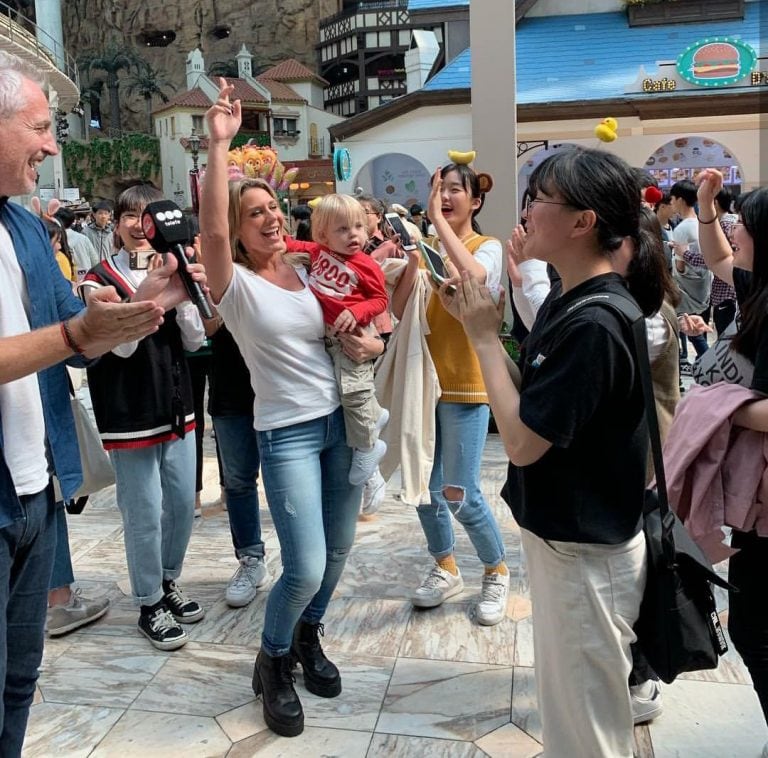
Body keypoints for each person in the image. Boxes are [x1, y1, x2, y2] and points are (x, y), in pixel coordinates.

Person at [441, 147, 666, 756]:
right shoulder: (572, 300)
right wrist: (479, 327)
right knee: (570, 715)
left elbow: (520, 443)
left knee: (587, 730)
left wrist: (485, 337)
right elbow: (533, 403)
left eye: (538, 199)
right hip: (566, 542)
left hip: (587, 556)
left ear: (583, 222)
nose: (527, 212)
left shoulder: (595, 321)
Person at [0, 49, 176, 757]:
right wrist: (78, 328)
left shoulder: (24, 228)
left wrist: (106, 315)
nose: (50, 145)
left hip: (35, 496)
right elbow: (62, 335)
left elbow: (61, 334)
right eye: (40, 127)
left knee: (19, 680)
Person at [199, 79, 384, 738]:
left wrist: (365, 337)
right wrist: (219, 144)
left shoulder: (308, 271)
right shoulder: (237, 285)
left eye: (275, 208)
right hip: (286, 435)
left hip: (338, 423)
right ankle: (272, 660)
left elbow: (363, 313)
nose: (272, 218)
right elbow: (212, 231)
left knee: (335, 556)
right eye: (256, 215)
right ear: (240, 233)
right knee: (303, 563)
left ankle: (309, 635)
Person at [80, 183, 208, 652]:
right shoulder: (97, 280)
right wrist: (154, 293)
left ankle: (169, 579)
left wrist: (190, 296)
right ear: (116, 223)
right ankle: (149, 601)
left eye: (150, 215)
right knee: (144, 512)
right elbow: (120, 345)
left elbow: (195, 343)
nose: (140, 225)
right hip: (127, 409)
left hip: (178, 403)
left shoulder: (174, 267)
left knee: (180, 503)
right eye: (131, 216)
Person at [389, 161, 509, 627]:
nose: (445, 197)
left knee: (460, 492)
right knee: (424, 489)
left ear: (475, 201)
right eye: (439, 190)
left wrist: (435, 225)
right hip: (424, 385)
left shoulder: (488, 247)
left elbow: (476, 276)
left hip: (467, 383)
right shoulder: (426, 248)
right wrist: (414, 257)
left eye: (454, 190)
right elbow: (398, 311)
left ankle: (496, 569)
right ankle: (445, 567)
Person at [695, 168, 768, 733]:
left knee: (755, 630)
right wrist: (706, 208)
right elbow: (719, 258)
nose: (734, 230)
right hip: (757, 498)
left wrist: (718, 403)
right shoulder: (759, 288)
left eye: (745, 223)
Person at [288, 193, 389, 485]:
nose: (353, 235)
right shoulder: (318, 253)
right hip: (329, 339)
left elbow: (380, 300)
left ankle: (367, 447)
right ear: (323, 234)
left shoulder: (366, 265)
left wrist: (358, 311)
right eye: (342, 229)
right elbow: (287, 244)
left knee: (353, 391)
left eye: (358, 226)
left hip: (354, 335)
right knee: (347, 390)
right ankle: (375, 415)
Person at [670, 179, 712, 366]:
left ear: (679, 199)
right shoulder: (701, 223)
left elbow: (680, 266)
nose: (671, 203)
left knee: (689, 328)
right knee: (697, 328)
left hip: (686, 289)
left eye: (672, 199)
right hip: (703, 285)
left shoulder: (681, 229)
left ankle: (706, 363)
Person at [55, 205, 99, 280]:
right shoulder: (83, 238)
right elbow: (95, 261)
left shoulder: (54, 240)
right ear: (72, 222)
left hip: (65, 281)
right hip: (85, 279)